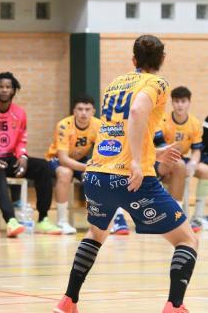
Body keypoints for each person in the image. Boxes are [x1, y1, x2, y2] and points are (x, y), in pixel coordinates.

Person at [54, 35, 198, 313]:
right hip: (132, 178)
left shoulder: (116, 83)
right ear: (163, 59)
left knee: (96, 235)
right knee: (187, 240)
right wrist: (136, 162)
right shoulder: (157, 83)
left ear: (133, 60)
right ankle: (174, 306)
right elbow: (136, 111)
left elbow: (122, 130)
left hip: (96, 174)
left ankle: (68, 300)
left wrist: (153, 153)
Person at [0, 72, 60, 237]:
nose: (4, 90)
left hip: (10, 157)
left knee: (43, 166)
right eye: (1, 87)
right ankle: (11, 221)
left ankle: (43, 219)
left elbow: (22, 140)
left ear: (14, 90)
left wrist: (23, 157)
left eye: (8, 87)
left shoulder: (20, 113)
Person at [154, 86, 207, 232]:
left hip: (181, 158)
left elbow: (196, 150)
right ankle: (176, 215)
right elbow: (161, 148)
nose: (180, 105)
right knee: (179, 166)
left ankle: (197, 216)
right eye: (176, 101)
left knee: (205, 170)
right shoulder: (163, 120)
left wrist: (194, 162)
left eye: (183, 101)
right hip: (160, 157)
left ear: (189, 103)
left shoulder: (195, 123)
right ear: (172, 103)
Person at [45, 95, 100, 235]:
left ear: (93, 111)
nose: (83, 113)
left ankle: (100, 220)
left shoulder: (98, 125)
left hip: (80, 160)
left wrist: (94, 168)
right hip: (55, 159)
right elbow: (63, 159)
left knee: (97, 176)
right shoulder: (64, 125)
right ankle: (62, 221)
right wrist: (89, 167)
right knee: (65, 173)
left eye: (87, 109)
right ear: (74, 111)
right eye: (80, 109)